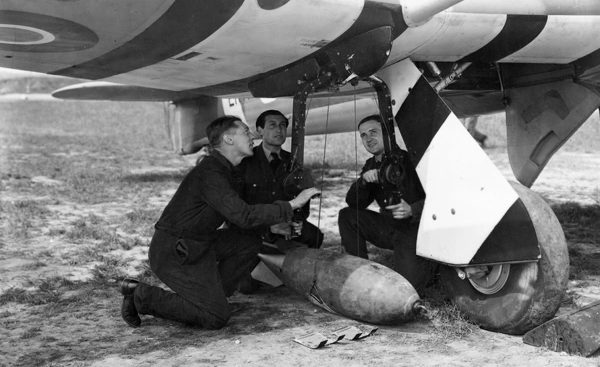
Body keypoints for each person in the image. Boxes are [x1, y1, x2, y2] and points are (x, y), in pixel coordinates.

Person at [119, 116, 320, 329]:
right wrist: (291, 205)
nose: (252, 136)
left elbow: (243, 213)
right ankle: (140, 294)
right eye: (245, 132)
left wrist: (274, 224)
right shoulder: (211, 172)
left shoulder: (228, 170)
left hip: (199, 243)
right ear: (228, 139)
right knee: (215, 317)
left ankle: (215, 296)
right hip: (174, 251)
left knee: (249, 242)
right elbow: (243, 215)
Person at [338, 115, 436, 294]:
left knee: (407, 288)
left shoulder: (410, 160)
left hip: (413, 230)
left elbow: (440, 197)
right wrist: (363, 182)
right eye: (363, 135)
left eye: (373, 132)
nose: (368, 138)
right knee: (347, 215)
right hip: (387, 227)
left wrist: (413, 209)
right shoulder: (370, 165)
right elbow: (353, 203)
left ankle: (433, 266)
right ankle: (358, 271)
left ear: (387, 134)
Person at [235, 110, 323, 292]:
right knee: (245, 287)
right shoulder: (245, 162)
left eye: (283, 125)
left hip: (284, 227)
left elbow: (302, 204)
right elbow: (237, 210)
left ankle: (292, 270)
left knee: (313, 235)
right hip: (254, 229)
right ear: (260, 130)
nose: (279, 130)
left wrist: (296, 222)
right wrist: (268, 227)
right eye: (272, 125)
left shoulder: (294, 163)